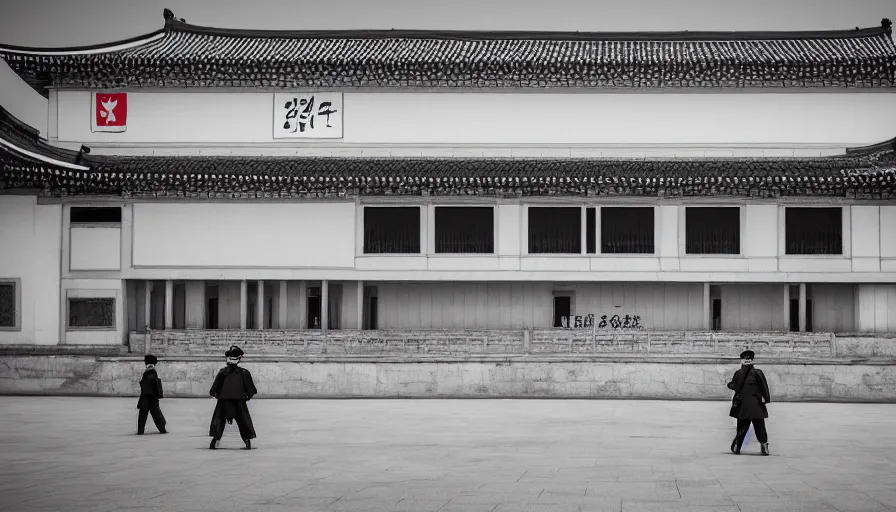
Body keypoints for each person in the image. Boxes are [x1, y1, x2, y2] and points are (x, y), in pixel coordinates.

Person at [208, 345, 257, 450]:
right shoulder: (244, 372)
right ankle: (247, 441)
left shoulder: (222, 372)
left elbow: (213, 390)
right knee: (243, 421)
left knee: (219, 420)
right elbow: (251, 390)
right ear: (238, 359)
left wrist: (219, 396)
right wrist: (246, 397)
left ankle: (215, 440)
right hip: (239, 401)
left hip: (223, 401)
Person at [727, 350, 771, 455]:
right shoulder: (757, 372)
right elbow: (764, 386)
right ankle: (764, 445)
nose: (747, 360)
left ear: (742, 361)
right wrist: (766, 399)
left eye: (748, 359)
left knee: (742, 427)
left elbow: (734, 386)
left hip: (743, 404)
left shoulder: (738, 373)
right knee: (759, 426)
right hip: (755, 404)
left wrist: (729, 384)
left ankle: (737, 446)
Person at [136, 354, 168, 435]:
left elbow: (147, 381)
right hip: (151, 397)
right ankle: (162, 430)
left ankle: (140, 431)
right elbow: (151, 382)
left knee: (143, 415)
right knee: (157, 415)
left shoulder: (149, 370)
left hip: (146, 396)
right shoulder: (152, 370)